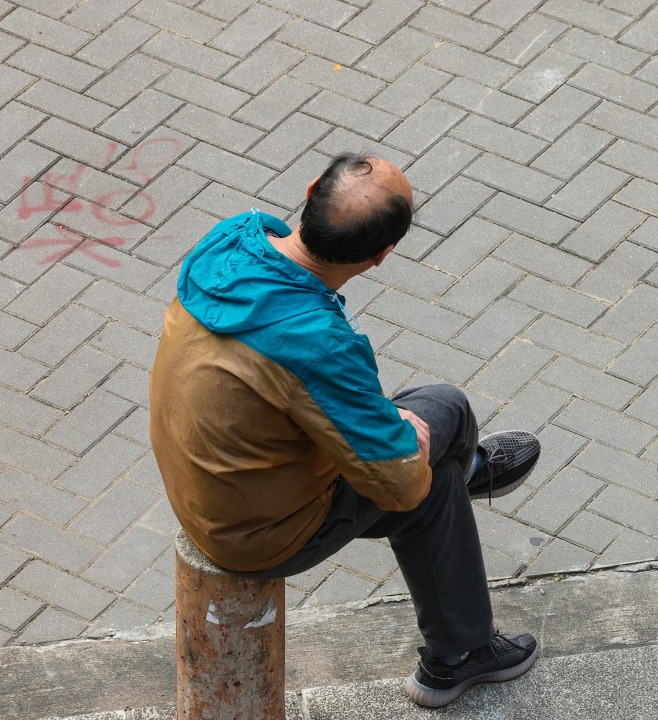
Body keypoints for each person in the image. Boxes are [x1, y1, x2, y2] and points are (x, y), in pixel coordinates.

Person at [150, 153, 543, 708]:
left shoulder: (232, 238)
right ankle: (459, 652)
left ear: (309, 190)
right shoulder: (319, 345)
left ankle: (463, 478)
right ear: (383, 255)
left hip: (199, 481)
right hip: (255, 533)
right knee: (440, 430)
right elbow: (400, 486)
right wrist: (408, 448)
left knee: (431, 465)